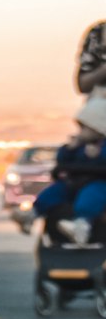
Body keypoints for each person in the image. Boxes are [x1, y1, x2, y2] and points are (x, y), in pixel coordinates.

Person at [33, 96, 106, 244]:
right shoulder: (79, 145)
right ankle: (32, 213)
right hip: (74, 183)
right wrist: (69, 148)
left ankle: (81, 226)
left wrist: (97, 155)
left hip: (98, 182)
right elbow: (62, 160)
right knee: (54, 192)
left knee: (90, 197)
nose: (81, 132)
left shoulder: (101, 147)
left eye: (85, 128)